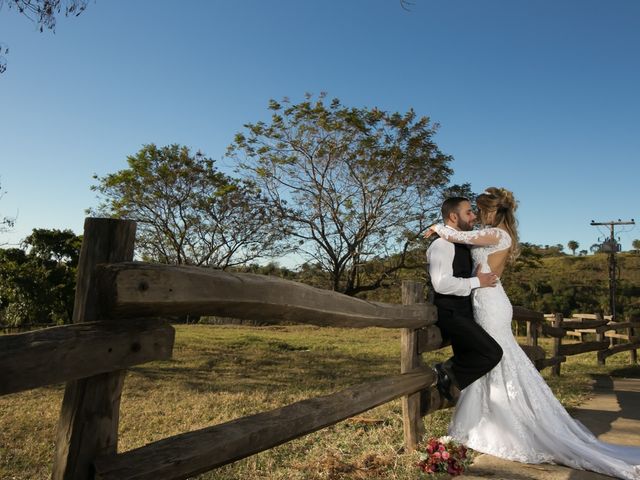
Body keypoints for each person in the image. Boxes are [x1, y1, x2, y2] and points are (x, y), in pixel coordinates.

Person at [425, 187, 640, 479]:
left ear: (491, 211)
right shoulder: (493, 233)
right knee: (496, 360)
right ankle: (485, 421)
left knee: (495, 358)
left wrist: (437, 227)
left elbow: (457, 235)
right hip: (483, 299)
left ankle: (495, 426)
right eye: (470, 211)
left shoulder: (498, 234)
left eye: (478, 210)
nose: (475, 215)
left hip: (489, 303)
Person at [426, 196, 503, 402]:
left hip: (463, 311)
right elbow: (441, 283)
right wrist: (476, 282)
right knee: (492, 353)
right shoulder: (442, 245)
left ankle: (448, 383)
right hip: (449, 312)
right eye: (468, 212)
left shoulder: (460, 244)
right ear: (453, 216)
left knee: (473, 356)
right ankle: (444, 370)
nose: (474, 216)